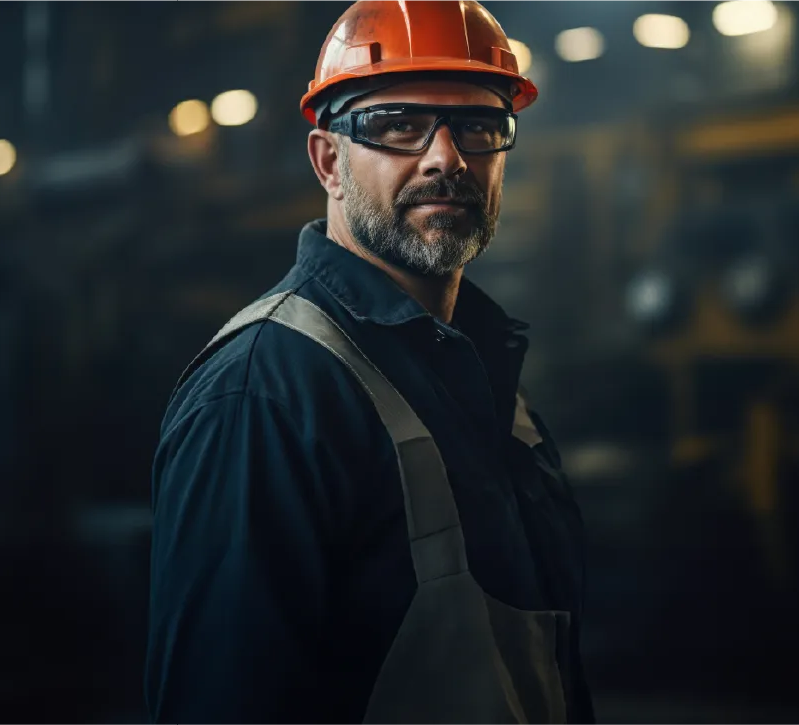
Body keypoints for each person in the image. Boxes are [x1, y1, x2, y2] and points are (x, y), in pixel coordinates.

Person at [146, 0, 594, 722]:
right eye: (398, 125)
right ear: (329, 161)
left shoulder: (489, 382)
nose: (446, 158)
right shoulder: (265, 393)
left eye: (478, 126)